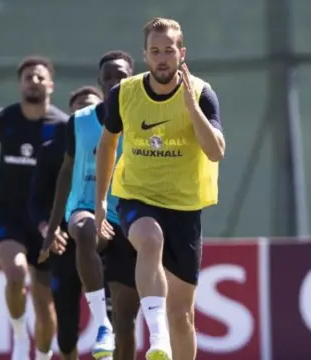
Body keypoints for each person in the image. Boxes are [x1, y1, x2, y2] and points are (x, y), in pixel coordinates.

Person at [95, 17, 224, 360]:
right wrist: (99, 205)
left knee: (183, 316)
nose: (162, 58)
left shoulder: (201, 93)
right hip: (137, 196)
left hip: (184, 207)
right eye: (155, 51)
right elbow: (107, 145)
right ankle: (157, 337)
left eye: (169, 50)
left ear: (182, 53)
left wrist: (191, 108)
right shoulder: (124, 94)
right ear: (145, 55)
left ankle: (168, 335)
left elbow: (216, 151)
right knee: (150, 240)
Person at [40, 50, 140, 360]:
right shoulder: (79, 122)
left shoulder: (144, 119)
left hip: (129, 215)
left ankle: (115, 329)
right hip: (86, 207)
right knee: (83, 228)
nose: (114, 81)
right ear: (100, 80)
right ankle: (100, 324)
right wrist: (54, 224)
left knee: (126, 319)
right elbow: (66, 172)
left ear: (133, 79)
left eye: (120, 75)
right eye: (108, 76)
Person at [0, 56, 68, 360]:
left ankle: (44, 354)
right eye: (27, 77)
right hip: (9, 213)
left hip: (47, 222)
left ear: (50, 84)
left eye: (39, 77)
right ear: (19, 84)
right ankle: (20, 336)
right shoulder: (2, 120)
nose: (33, 82)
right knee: (16, 273)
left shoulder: (63, 126)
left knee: (43, 299)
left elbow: (73, 175)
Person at [28, 86, 103, 360]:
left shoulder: (119, 140)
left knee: (116, 315)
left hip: (105, 240)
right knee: (68, 324)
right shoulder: (51, 150)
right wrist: (48, 228)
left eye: (93, 105)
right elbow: (37, 201)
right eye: (80, 106)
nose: (86, 110)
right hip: (66, 244)